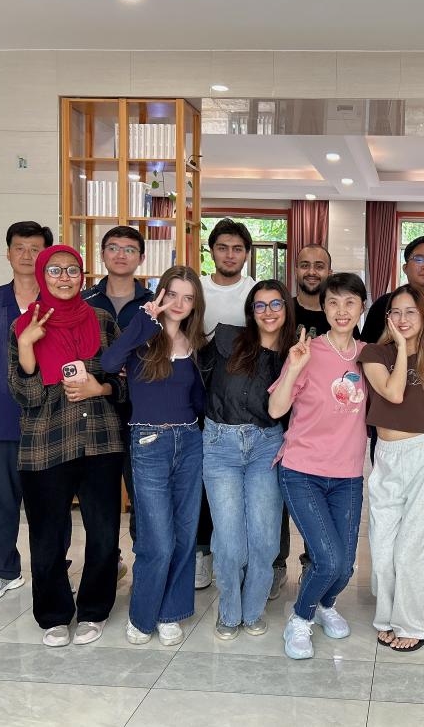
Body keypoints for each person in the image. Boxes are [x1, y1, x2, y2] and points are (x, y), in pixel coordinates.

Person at [8, 245, 127, 647]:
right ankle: (55, 614)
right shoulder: (23, 325)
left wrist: (102, 386)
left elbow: (127, 382)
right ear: (43, 276)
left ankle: (94, 610)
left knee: (105, 533)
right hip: (44, 446)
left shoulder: (103, 321)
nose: (64, 278)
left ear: (82, 276)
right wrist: (28, 346)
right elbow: (24, 397)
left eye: (72, 270)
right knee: (46, 536)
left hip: (101, 444)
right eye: (55, 271)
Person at [100, 266, 207, 646]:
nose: (179, 303)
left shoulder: (197, 344)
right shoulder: (144, 336)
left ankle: (170, 612)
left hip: (190, 442)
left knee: (182, 535)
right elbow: (109, 364)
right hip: (148, 443)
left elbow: (199, 400)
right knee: (155, 539)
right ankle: (143, 613)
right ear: (159, 295)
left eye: (188, 297)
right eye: (172, 294)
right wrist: (144, 322)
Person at [268, 273, 369, 660]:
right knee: (326, 559)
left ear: (362, 306)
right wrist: (294, 366)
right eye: (333, 303)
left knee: (344, 568)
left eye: (350, 303)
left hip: (347, 475)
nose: (341, 311)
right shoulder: (307, 350)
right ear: (322, 307)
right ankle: (300, 617)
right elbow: (276, 408)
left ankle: (326, 605)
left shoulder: (369, 354)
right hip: (302, 470)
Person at [359, 284, 424, 652]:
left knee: (412, 550)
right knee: (383, 547)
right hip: (386, 454)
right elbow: (392, 392)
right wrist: (403, 349)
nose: (402, 319)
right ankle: (388, 618)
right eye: (395, 313)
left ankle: (413, 625)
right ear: (386, 318)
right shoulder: (373, 352)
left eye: (411, 313)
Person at [201, 279, 295, 639]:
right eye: (260, 305)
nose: (268, 312)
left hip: (267, 446)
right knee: (228, 541)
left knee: (266, 539)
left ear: (286, 309)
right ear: (250, 311)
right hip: (220, 444)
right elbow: (197, 380)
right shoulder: (227, 340)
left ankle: (253, 608)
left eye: (275, 304)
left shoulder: (294, 354)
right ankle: (229, 611)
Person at [0, 220, 55, 603]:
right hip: (4, 415)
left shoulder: (61, 300)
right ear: (8, 253)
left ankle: (52, 572)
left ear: (46, 255)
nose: (26, 255)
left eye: (35, 248)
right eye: (19, 247)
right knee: (3, 498)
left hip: (52, 417)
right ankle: (3, 571)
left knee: (50, 501)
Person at [82, 225, 154, 573]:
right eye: (113, 247)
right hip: (94, 411)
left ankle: (144, 562)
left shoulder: (155, 305)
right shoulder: (83, 303)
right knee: (100, 495)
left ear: (141, 258)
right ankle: (108, 563)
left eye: (129, 249)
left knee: (142, 493)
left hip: (141, 412)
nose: (121, 254)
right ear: (103, 254)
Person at [194, 218, 258, 591]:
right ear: (212, 251)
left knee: (243, 485)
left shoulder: (255, 292)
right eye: (223, 247)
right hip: (200, 391)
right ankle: (204, 554)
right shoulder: (197, 290)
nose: (230, 255)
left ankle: (243, 558)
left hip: (242, 396)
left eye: (237, 249)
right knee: (206, 478)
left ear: (246, 254)